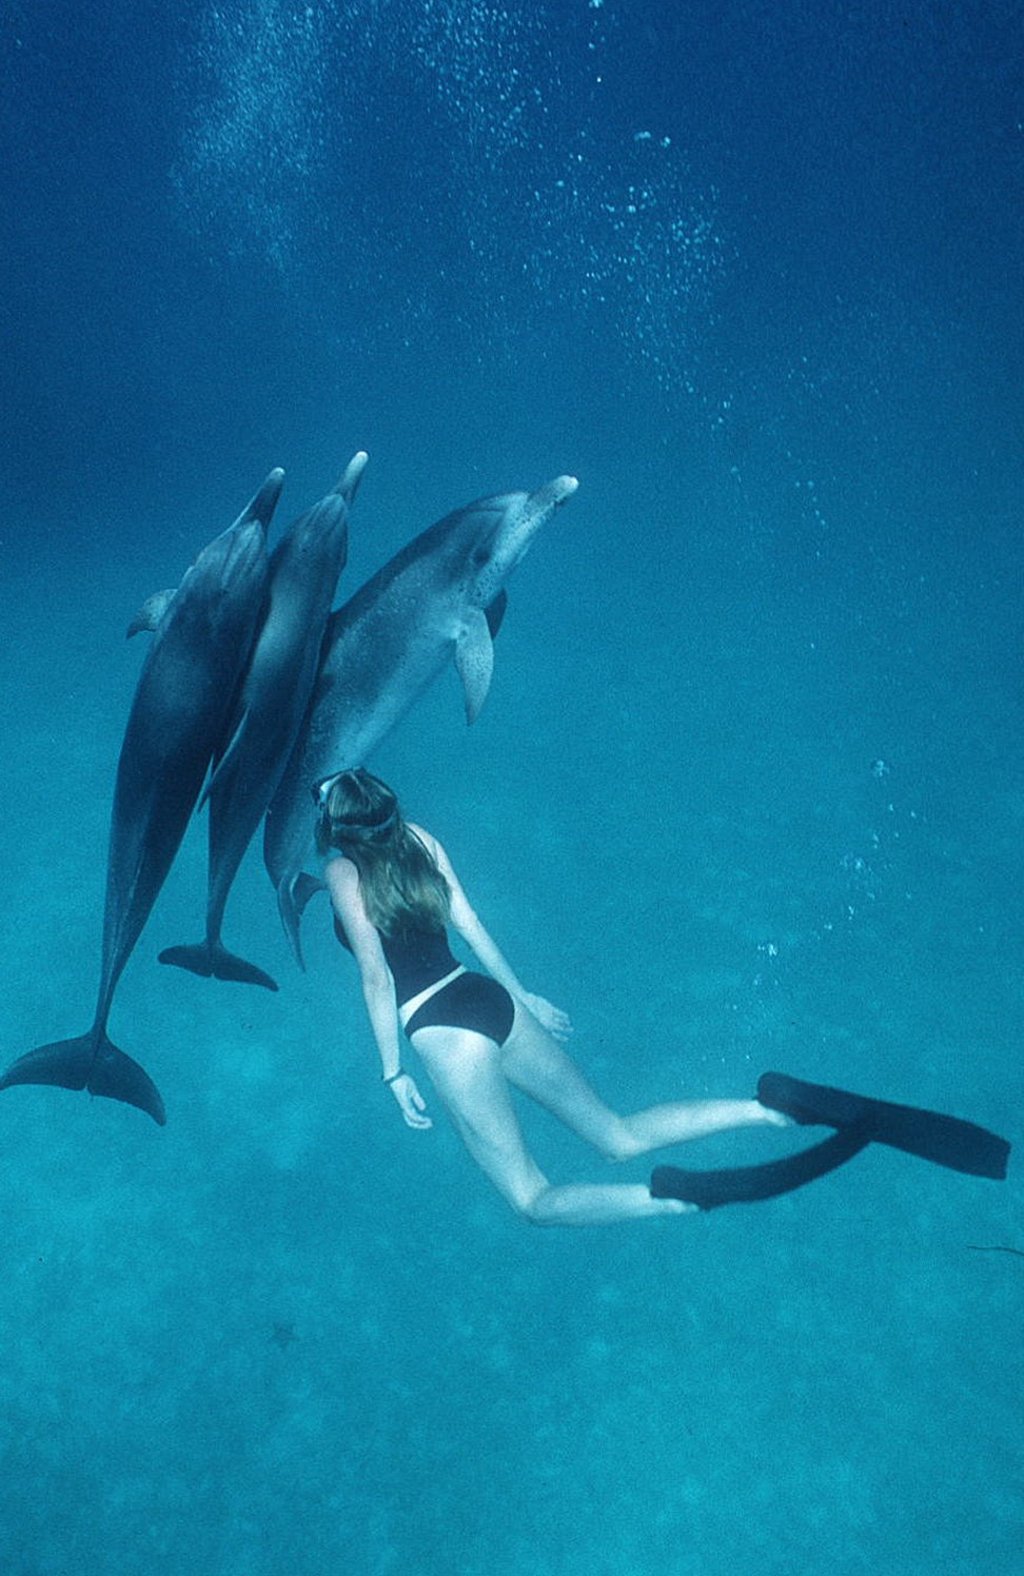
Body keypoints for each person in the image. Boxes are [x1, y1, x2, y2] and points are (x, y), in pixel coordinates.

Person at [316, 768, 792, 1227]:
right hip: (486, 995)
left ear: (339, 826)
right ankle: (766, 1108)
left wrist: (393, 1072)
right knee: (615, 1134)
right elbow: (471, 924)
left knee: (532, 1199)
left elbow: (377, 976)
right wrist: (522, 997)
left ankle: (679, 1201)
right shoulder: (417, 837)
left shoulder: (341, 872)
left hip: (441, 1026)